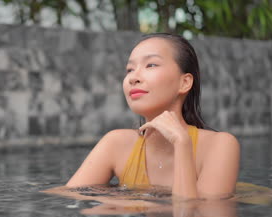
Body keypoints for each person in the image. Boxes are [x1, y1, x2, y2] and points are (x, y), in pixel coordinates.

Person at [65, 33, 240, 199]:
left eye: (151, 65)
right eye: (130, 69)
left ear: (184, 82)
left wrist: (182, 144)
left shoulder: (220, 146)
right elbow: (65, 200)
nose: (133, 78)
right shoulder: (115, 143)